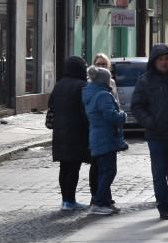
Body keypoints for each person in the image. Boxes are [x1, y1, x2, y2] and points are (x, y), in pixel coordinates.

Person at [130, 43, 168, 220]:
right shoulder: (145, 81)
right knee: (159, 174)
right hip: (157, 137)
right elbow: (137, 107)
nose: (164, 62)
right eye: (160, 59)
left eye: (166, 59)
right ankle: (163, 206)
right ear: (154, 61)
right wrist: (151, 122)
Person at [83, 65, 127, 215]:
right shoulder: (103, 95)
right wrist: (123, 115)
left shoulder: (92, 92)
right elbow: (111, 116)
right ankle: (100, 202)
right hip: (105, 138)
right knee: (109, 171)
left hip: (97, 137)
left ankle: (106, 202)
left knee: (104, 171)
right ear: (105, 81)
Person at [49, 56, 92, 210]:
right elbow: (84, 111)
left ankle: (65, 200)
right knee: (74, 167)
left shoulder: (59, 85)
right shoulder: (81, 85)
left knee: (64, 167)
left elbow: (51, 105)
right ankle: (70, 200)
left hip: (60, 133)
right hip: (77, 132)